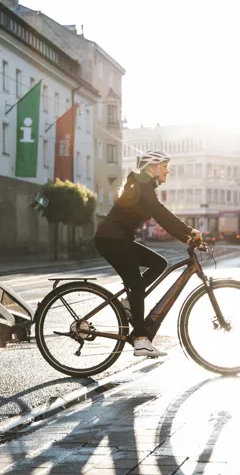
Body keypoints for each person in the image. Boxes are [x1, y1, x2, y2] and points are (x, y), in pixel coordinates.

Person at [94, 149, 201, 358]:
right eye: (164, 167)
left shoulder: (144, 185)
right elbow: (161, 213)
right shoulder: (142, 185)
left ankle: (128, 304)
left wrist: (186, 237)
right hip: (112, 241)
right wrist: (188, 232)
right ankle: (141, 340)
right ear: (153, 167)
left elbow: (160, 216)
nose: (167, 171)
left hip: (120, 240)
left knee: (158, 264)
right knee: (136, 285)